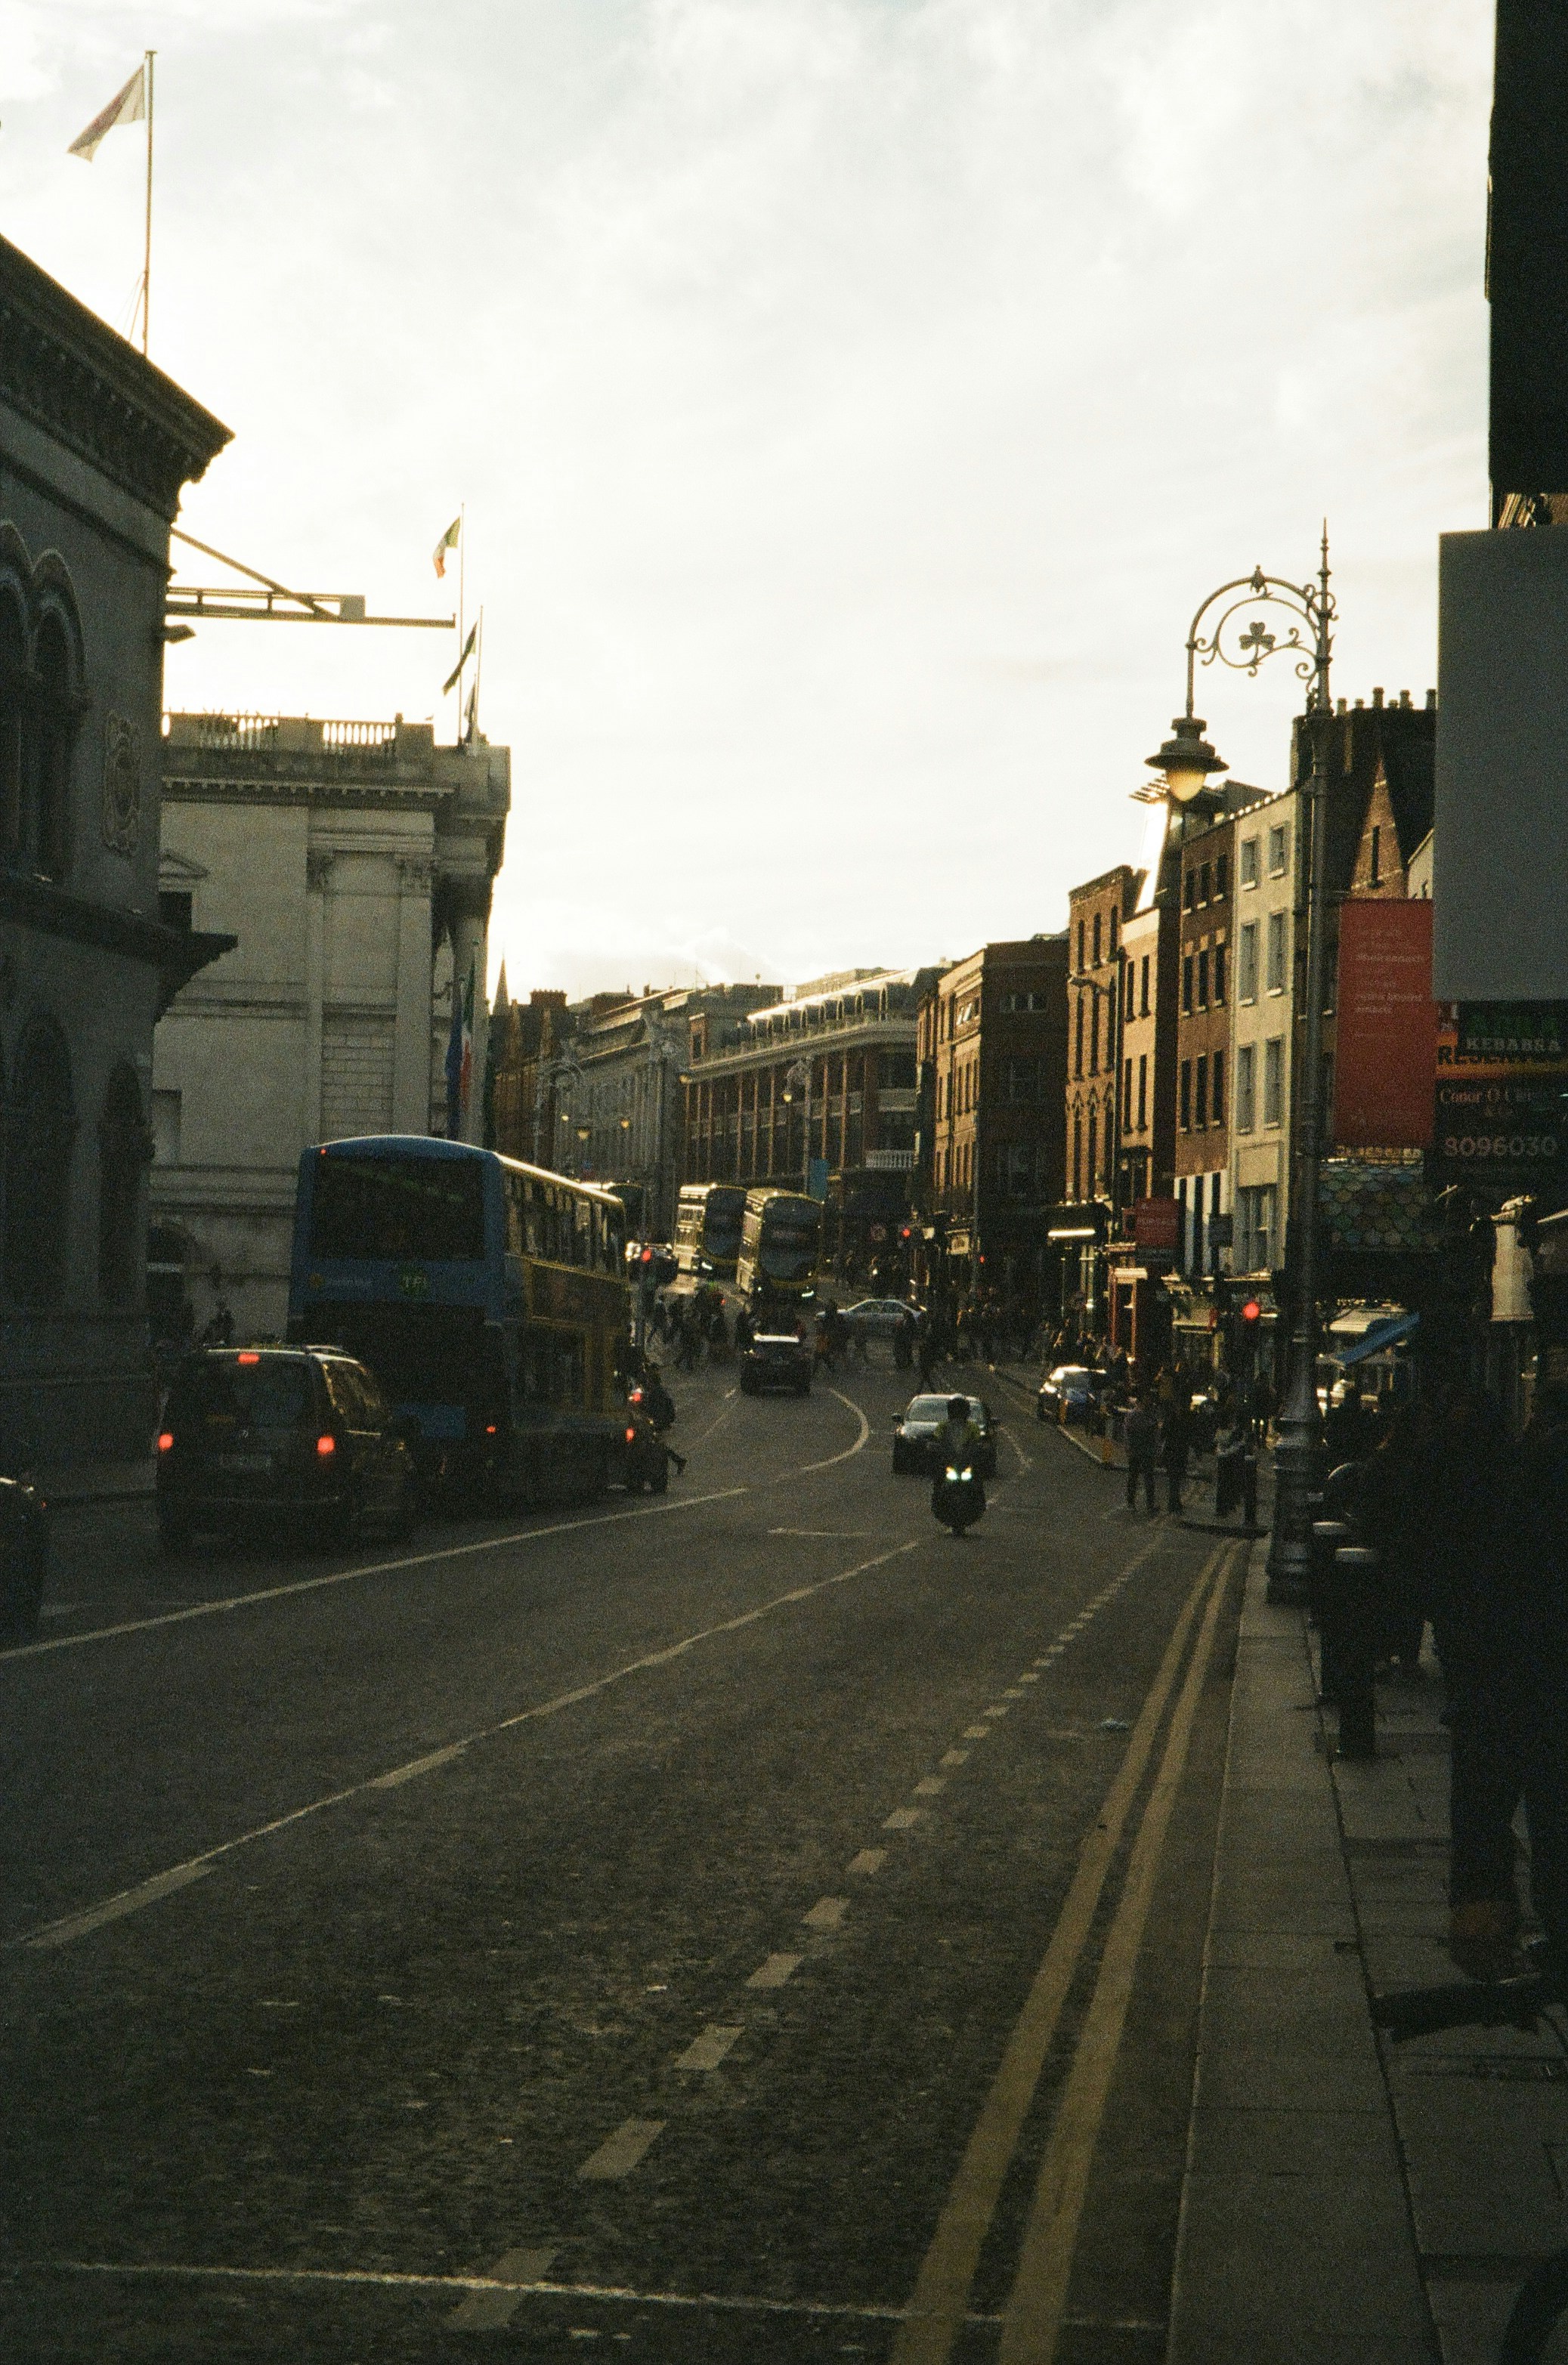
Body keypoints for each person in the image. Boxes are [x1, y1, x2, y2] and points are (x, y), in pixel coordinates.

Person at [1124, 1392, 1160, 1513]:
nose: (1148, 1403)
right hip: (1136, 1450)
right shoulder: (1133, 1415)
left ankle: (1150, 1505)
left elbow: (1155, 1432)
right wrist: (1128, 1447)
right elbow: (1128, 1432)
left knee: (1148, 1478)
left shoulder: (1150, 1415)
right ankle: (1131, 1503)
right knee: (1134, 1477)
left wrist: (1156, 1449)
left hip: (1147, 1450)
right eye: (1146, 1400)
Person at [1161, 1386, 1192, 1515]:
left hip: (1181, 1453)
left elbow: (1190, 1436)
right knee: (1174, 1478)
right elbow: (1164, 1435)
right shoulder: (1172, 1420)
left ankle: (1174, 1501)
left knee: (1177, 1479)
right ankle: (1173, 1502)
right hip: (1172, 1453)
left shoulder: (1184, 1419)